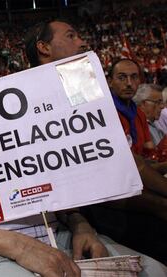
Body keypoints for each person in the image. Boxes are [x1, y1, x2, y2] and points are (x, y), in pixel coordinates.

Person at [0, 27, 166, 277]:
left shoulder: (20, 118)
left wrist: (81, 226)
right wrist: (19, 247)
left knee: (154, 271)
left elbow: (58, 193)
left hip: (53, 239)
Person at [26, 19, 167, 266]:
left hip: (107, 196)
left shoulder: (81, 85)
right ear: (43, 47)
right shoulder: (27, 98)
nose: (81, 42)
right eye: (71, 36)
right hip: (78, 210)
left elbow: (125, 160)